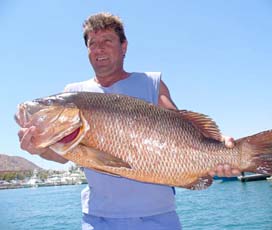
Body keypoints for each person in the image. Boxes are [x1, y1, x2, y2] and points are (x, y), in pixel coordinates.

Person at [18, 12, 240, 230]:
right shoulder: (73, 92)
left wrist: (220, 145)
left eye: (107, 41)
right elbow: (61, 157)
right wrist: (38, 149)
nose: (99, 48)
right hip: (97, 219)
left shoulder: (152, 83)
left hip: (157, 218)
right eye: (92, 43)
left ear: (124, 47)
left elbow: (180, 124)